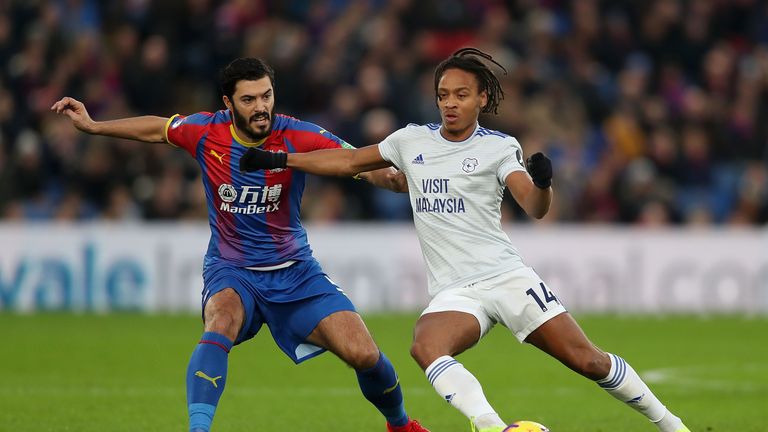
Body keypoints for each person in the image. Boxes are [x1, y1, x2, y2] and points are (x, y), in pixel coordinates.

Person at [239, 48, 692, 432]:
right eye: (442, 95)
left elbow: (534, 207)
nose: (449, 104)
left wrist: (545, 184)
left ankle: (672, 425)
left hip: (505, 276)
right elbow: (349, 162)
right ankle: (494, 428)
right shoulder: (409, 141)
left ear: (481, 98)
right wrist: (281, 160)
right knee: (424, 346)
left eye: (460, 95)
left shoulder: (499, 147)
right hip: (454, 290)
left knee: (588, 361)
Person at [51, 57, 428, 432]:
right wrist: (95, 127)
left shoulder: (298, 134)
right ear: (228, 104)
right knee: (221, 320)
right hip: (232, 269)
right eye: (249, 99)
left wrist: (396, 180)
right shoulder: (205, 131)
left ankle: (400, 426)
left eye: (266, 96)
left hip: (296, 272)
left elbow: (352, 161)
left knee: (363, 353)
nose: (261, 106)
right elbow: (157, 128)